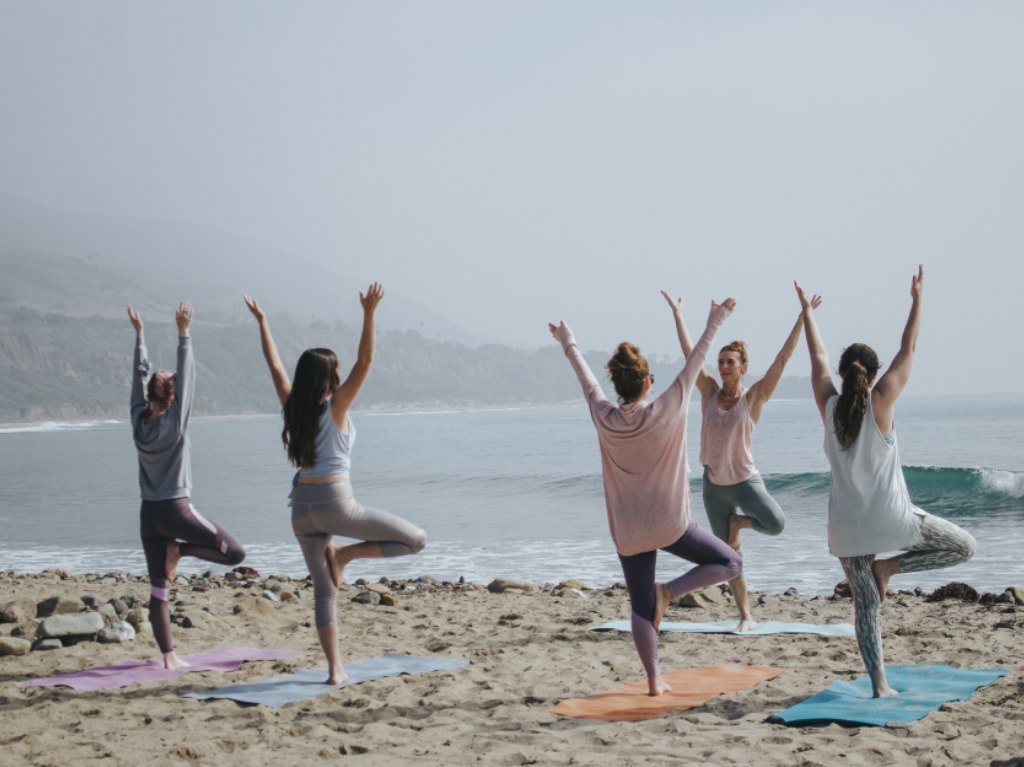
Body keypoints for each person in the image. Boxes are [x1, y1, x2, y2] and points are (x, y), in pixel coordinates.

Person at [548, 297, 741, 696]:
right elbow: (697, 360)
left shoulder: (603, 415)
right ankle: (669, 591)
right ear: (648, 382)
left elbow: (586, 379)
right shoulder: (667, 408)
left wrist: (568, 341)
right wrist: (716, 319)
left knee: (639, 608)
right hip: (670, 524)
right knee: (731, 562)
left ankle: (654, 683)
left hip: (629, 531)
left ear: (618, 386)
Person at [796, 266, 975, 697]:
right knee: (965, 547)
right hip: (893, 520)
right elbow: (908, 348)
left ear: (842, 374)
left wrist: (808, 314)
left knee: (866, 607)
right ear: (873, 375)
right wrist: (917, 301)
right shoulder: (882, 402)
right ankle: (891, 566)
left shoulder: (829, 407)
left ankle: (880, 685)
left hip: (848, 529)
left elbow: (816, 361)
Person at [244, 285, 426, 685]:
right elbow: (367, 360)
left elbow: (274, 367)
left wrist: (263, 322)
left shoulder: (293, 407)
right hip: (335, 503)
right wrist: (369, 312)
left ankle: (334, 670)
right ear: (331, 376)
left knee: (323, 593)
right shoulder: (336, 405)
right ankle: (344, 555)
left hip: (300, 511)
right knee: (415, 540)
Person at [661, 290, 821, 631]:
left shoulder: (755, 398)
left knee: (776, 523)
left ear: (744, 366)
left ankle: (740, 524)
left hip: (746, 483)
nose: (722, 366)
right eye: (720, 361)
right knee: (730, 561)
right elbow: (692, 355)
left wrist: (802, 318)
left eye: (730, 361)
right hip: (714, 487)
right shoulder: (707, 392)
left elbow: (782, 359)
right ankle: (746, 615)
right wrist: (678, 313)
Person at [128, 302, 246, 670]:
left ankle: (169, 657)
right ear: (172, 397)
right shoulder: (176, 422)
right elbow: (188, 374)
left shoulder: (137, 419)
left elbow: (138, 376)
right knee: (235, 554)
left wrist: (140, 338)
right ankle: (181, 551)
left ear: (149, 395)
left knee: (159, 589)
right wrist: (184, 333)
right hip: (177, 511)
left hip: (149, 515)